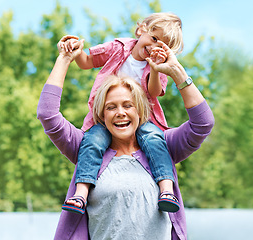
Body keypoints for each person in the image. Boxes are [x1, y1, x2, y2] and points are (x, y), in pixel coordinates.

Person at [37, 33, 214, 239]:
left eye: (128, 105)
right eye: (111, 107)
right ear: (102, 115)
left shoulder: (163, 147)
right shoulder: (85, 148)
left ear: (140, 111)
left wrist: (176, 71)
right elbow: (47, 114)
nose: (120, 112)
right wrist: (65, 59)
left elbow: (203, 124)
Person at [59, 12, 184, 214]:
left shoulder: (159, 67)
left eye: (161, 47)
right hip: (106, 118)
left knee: (155, 139)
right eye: (153, 39)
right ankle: (80, 194)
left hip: (141, 120)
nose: (154, 48)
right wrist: (75, 49)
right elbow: (86, 62)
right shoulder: (118, 48)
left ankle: (167, 191)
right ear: (141, 29)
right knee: (92, 142)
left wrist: (155, 68)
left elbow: (153, 92)